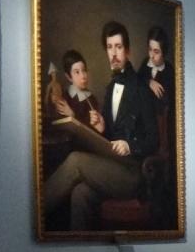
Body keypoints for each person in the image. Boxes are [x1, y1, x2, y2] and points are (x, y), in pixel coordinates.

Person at [43, 20, 159, 230]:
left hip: (132, 174)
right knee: (80, 193)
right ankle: (79, 249)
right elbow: (110, 136)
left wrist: (129, 145)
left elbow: (154, 140)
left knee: (76, 160)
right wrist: (102, 128)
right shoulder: (111, 87)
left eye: (118, 47)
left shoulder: (142, 89)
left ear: (128, 51)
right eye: (109, 47)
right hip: (112, 167)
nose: (113, 53)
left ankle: (33, 212)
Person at [46, 49, 105, 134]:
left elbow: (94, 132)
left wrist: (73, 116)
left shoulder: (92, 99)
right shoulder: (64, 97)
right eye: (77, 72)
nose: (83, 76)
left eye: (84, 70)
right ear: (69, 77)